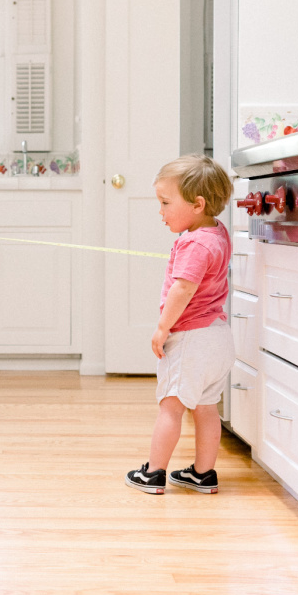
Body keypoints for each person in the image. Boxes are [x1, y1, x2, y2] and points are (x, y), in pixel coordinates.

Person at [125, 155, 235, 495]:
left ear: (197, 204)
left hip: (190, 339)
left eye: (165, 202)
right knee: (206, 408)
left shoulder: (194, 243)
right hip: (217, 337)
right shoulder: (217, 233)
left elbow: (183, 289)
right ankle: (203, 473)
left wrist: (162, 328)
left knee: (171, 408)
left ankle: (153, 473)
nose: (160, 211)